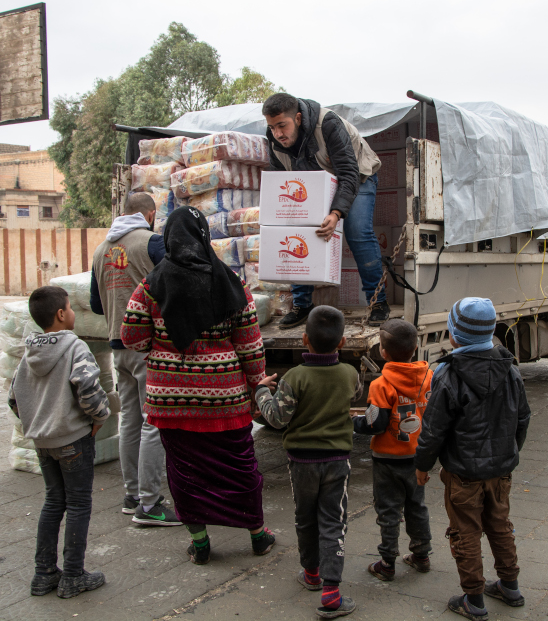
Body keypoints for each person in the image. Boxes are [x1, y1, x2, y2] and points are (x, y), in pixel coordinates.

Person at [120, 206, 274, 565]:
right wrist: (257, 386)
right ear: (204, 236)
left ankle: (200, 543)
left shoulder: (151, 286)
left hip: (171, 402)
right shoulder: (231, 284)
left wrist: (159, 349)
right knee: (240, 467)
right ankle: (257, 534)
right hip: (226, 400)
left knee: (184, 472)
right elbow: (250, 345)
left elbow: (130, 336)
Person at [414, 298, 531, 621]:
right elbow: (522, 419)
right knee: (500, 526)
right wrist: (509, 452)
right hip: (501, 471)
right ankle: (510, 586)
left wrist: (423, 466)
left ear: (453, 335)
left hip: (463, 472)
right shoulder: (510, 371)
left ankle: (474, 599)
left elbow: (433, 430)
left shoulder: (447, 374)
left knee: (465, 532)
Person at [256, 306, 363, 619]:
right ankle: (332, 590)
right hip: (337, 462)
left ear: (304, 339)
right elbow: (355, 395)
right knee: (333, 521)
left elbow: (276, 419)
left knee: (305, 517)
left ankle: (312, 573)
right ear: (341, 343)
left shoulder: (295, 377)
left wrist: (262, 391)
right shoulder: (349, 374)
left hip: (301, 462)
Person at [8, 286, 110, 599]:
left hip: (43, 442)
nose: (74, 313)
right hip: (74, 440)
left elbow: (14, 398)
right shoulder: (74, 347)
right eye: (71, 308)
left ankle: (44, 574)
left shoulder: (30, 351)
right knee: (78, 504)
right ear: (61, 314)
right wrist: (99, 418)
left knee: (54, 502)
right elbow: (89, 389)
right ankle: (74, 576)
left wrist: (36, 424)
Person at [262, 93, 388, 329]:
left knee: (357, 232)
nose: (278, 133)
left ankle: (377, 302)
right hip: (315, 181)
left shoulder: (327, 124)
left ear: (298, 118)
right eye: (272, 127)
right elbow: (281, 179)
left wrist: (336, 213)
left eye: (282, 125)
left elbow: (349, 173)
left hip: (356, 176)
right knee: (299, 228)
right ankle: (302, 304)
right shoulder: (273, 139)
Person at [90, 192, 179, 526]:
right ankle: (150, 503)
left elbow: (97, 305)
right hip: (149, 347)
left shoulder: (101, 251)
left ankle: (131, 495)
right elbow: (174, 287)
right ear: (151, 214)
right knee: (153, 421)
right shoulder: (152, 243)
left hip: (117, 344)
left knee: (129, 418)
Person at [352, 319, 433, 581]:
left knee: (388, 511)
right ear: (416, 346)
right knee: (417, 506)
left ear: (383, 352)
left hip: (387, 459)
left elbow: (376, 425)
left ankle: (387, 562)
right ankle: (421, 555)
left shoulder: (380, 385)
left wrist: (353, 422)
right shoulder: (429, 377)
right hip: (417, 456)